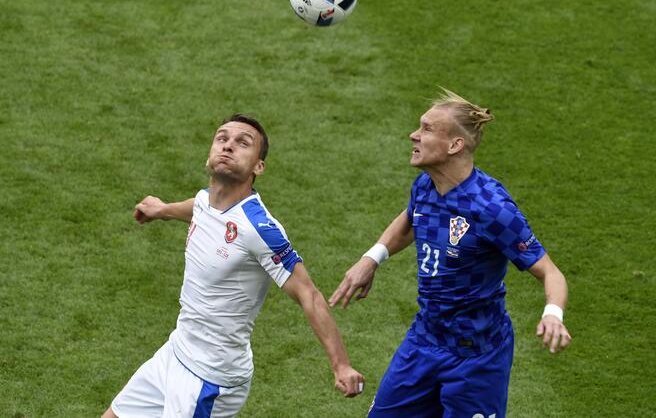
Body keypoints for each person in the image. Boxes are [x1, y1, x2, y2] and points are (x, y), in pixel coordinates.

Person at [329, 90, 572, 418]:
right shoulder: (426, 186)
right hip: (424, 341)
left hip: (477, 358)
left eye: (427, 129)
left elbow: (550, 272)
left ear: (454, 145)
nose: (413, 135)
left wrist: (552, 315)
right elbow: (410, 220)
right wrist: (372, 258)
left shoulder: (492, 209)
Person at [102, 114, 364, 418]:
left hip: (209, 379)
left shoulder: (259, 228)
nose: (228, 146)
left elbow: (309, 294)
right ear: (209, 155)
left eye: (243, 143)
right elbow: (200, 209)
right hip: (175, 352)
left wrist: (340, 364)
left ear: (258, 167)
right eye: (222, 138)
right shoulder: (206, 200)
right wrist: (162, 210)